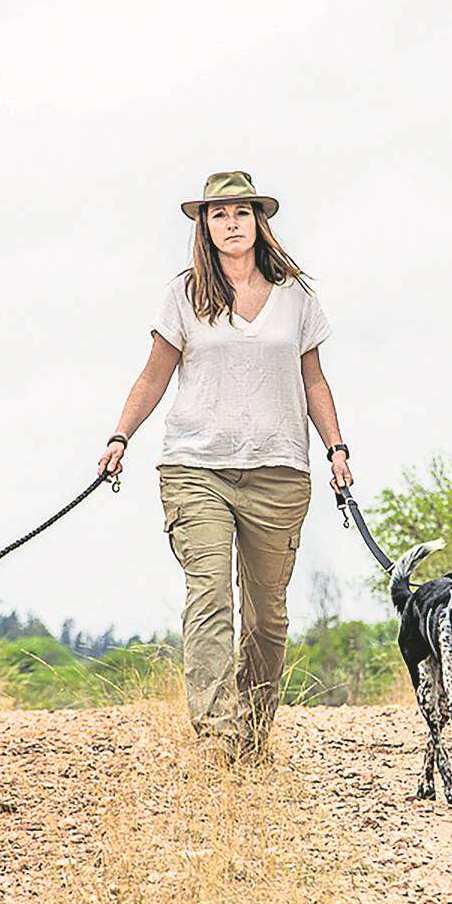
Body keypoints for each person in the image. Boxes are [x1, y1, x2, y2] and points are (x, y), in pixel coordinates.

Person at [98, 170, 353, 764]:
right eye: (219, 215)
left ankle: (252, 733)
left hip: (280, 470)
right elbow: (154, 374)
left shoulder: (296, 296)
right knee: (209, 596)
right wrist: (120, 435)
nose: (231, 224)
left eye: (241, 212)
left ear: (258, 221)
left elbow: (313, 379)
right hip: (196, 466)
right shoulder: (184, 294)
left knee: (268, 619)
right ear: (204, 226)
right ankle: (218, 735)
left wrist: (337, 448)